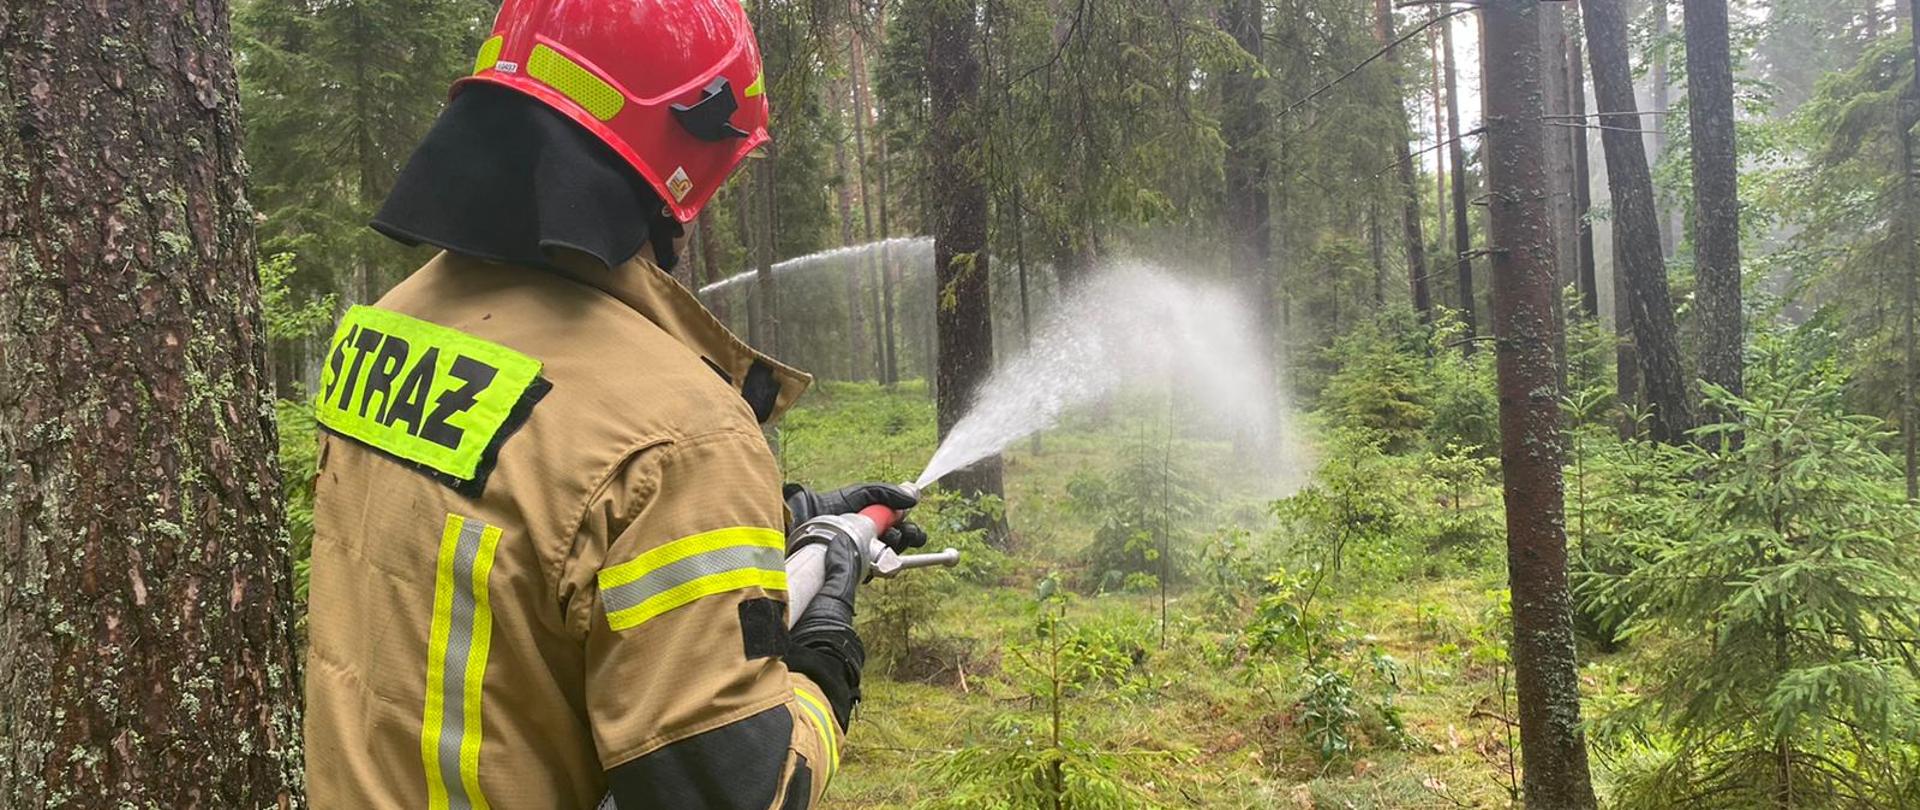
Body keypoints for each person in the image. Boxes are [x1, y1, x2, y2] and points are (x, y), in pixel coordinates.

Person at [300, 0, 923, 806]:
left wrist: (779, 517)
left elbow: (527, 530)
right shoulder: (679, 437)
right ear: (692, 144)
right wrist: (820, 663)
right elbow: (739, 792)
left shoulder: (390, 325)